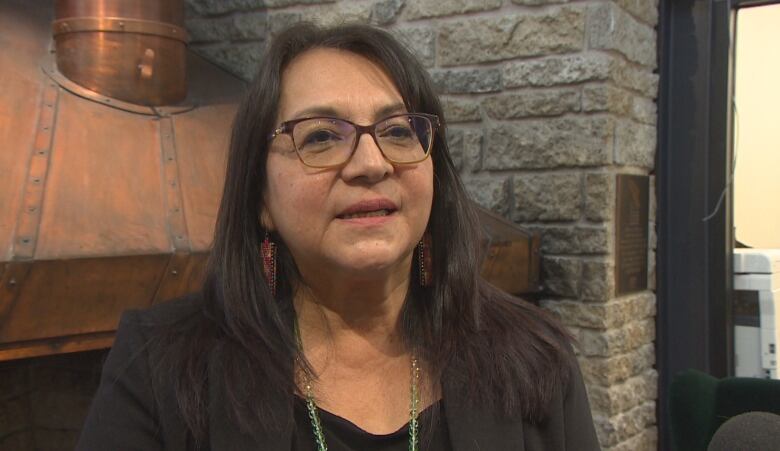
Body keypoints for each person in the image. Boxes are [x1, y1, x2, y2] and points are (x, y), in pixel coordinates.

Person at [77, 23, 600, 451]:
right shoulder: (158, 369)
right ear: (261, 198)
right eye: (322, 137)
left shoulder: (537, 361)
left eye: (398, 131)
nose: (371, 164)